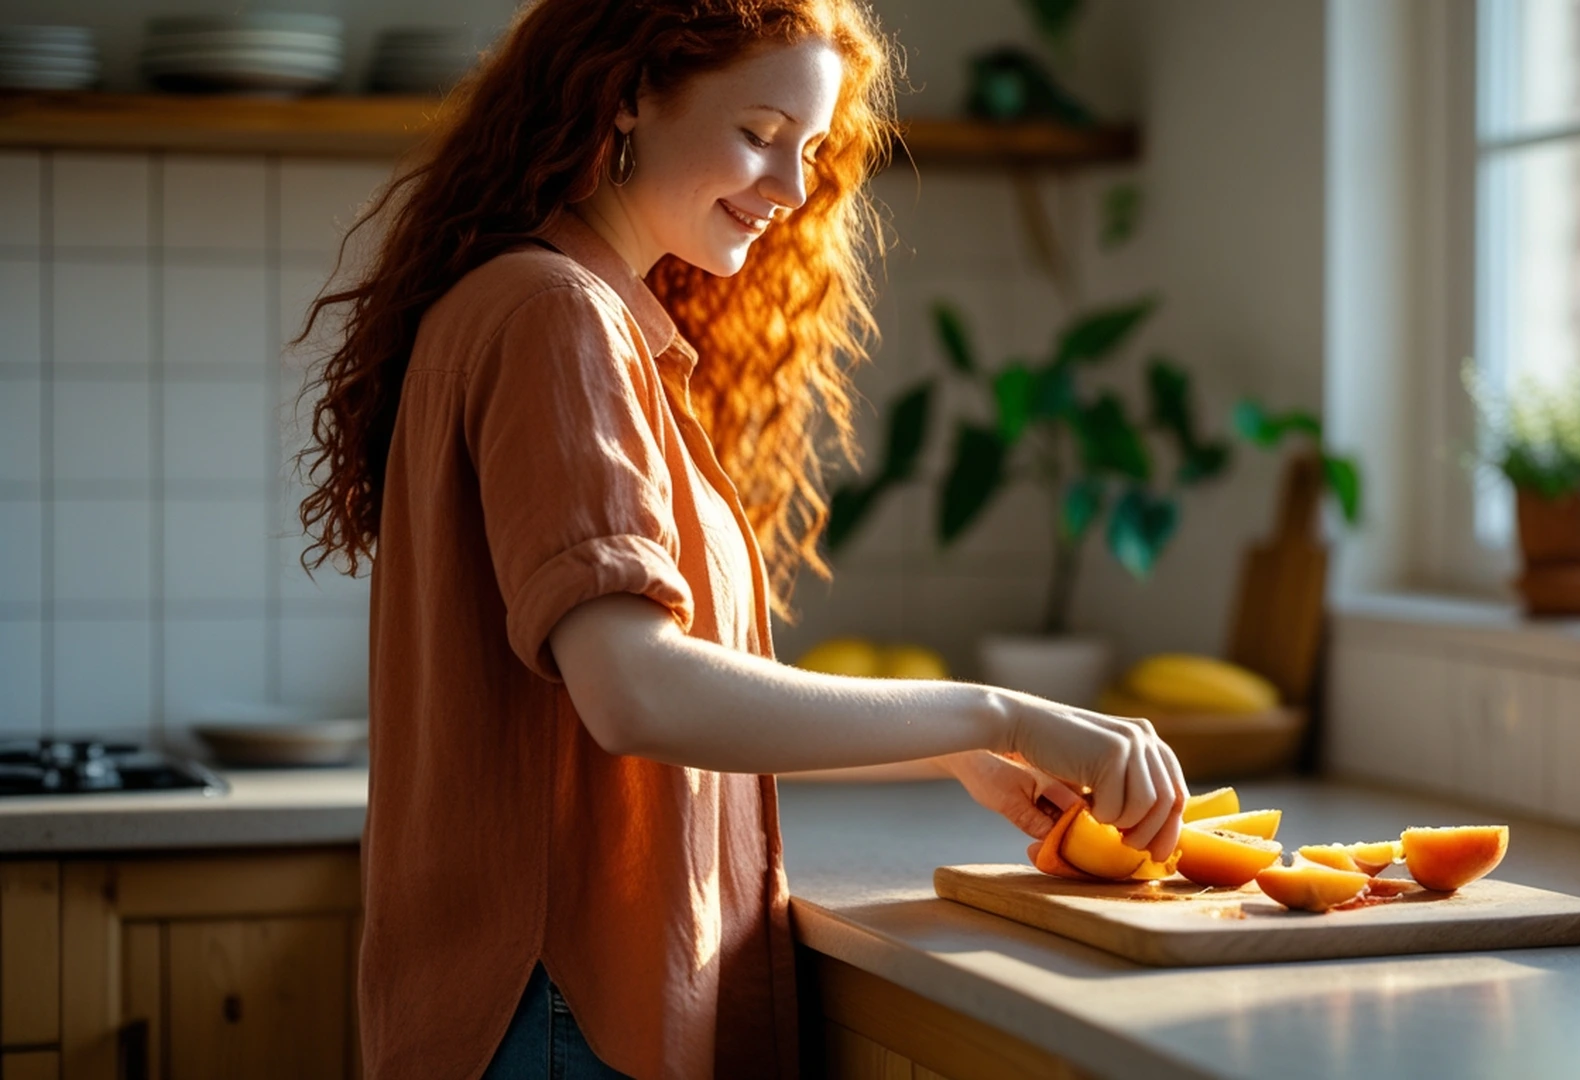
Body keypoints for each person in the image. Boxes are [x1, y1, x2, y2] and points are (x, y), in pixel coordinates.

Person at [295, 0, 1187, 1076]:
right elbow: (640, 693)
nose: (793, 187)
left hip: (527, 1000)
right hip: (561, 1005)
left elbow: (663, 696)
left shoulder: (546, 305)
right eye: (760, 133)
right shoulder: (555, 317)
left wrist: (960, 748)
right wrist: (1000, 712)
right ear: (624, 92)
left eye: (807, 149)